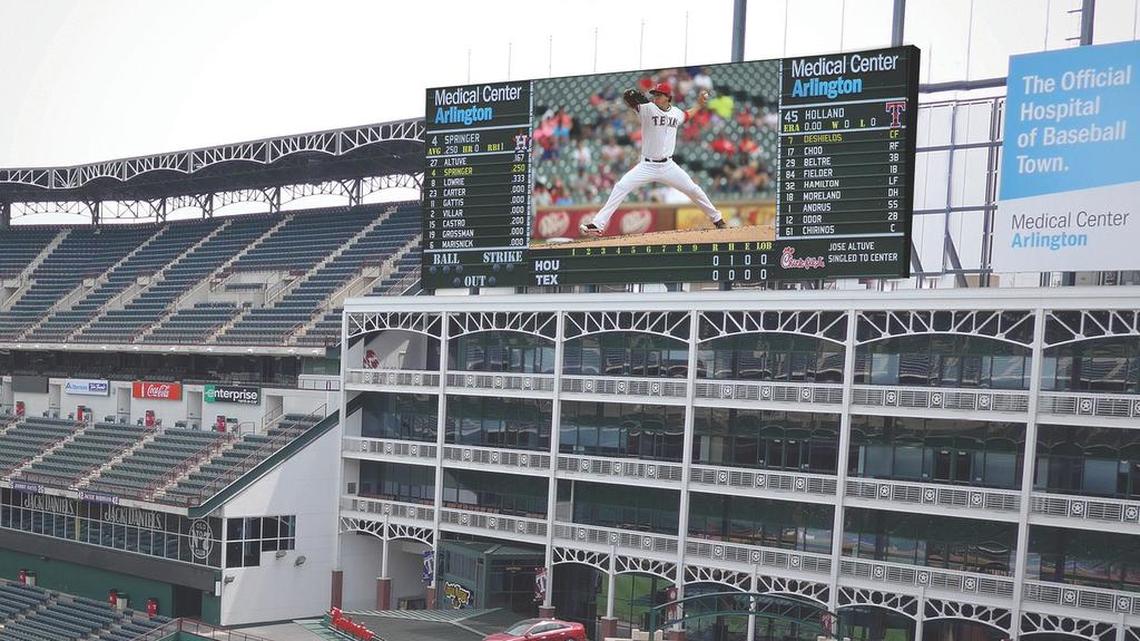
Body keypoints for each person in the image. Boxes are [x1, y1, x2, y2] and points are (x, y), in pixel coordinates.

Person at [579, 82, 726, 236]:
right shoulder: (647, 109)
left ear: (668, 97)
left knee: (694, 190)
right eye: (654, 94)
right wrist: (633, 100)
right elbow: (634, 103)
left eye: (659, 95)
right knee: (621, 186)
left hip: (668, 166)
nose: (655, 97)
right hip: (646, 166)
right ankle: (597, 224)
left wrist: (699, 105)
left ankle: (717, 219)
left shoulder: (676, 113)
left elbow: (687, 115)